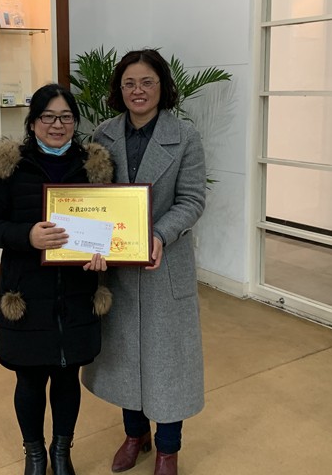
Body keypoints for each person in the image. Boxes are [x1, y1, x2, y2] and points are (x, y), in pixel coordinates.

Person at [0, 83, 114, 475]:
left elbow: (112, 224)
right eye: (48, 117)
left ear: (75, 122)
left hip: (77, 292)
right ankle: (34, 454)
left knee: (68, 378)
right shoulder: (11, 167)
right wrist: (27, 236)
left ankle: (62, 451)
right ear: (33, 122)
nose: (57, 125)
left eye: (66, 117)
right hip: (27, 292)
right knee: (30, 379)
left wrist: (107, 254)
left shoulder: (94, 167)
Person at [81, 49, 207, 475]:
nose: (138, 91)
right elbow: (92, 199)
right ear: (119, 89)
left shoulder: (185, 137)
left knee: (168, 362)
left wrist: (159, 235)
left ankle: (168, 449)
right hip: (116, 267)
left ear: (162, 86)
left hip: (163, 265)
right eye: (129, 83)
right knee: (125, 358)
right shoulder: (103, 134)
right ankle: (135, 435)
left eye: (147, 82)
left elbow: (192, 200)